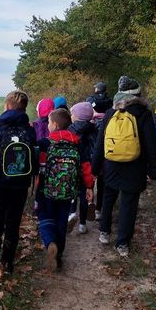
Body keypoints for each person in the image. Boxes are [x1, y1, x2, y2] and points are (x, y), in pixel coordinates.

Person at [92, 76, 156, 257]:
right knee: (129, 204)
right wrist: (153, 169)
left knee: (108, 197)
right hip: (135, 166)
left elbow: (100, 143)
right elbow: (151, 143)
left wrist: (95, 166)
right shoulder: (144, 114)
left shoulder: (109, 113)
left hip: (111, 164)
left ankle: (104, 232)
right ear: (137, 94)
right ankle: (122, 243)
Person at [37, 109, 94, 271]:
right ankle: (59, 254)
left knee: (44, 216)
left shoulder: (45, 143)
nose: (48, 125)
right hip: (68, 191)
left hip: (46, 191)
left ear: (54, 125)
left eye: (49, 122)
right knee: (62, 221)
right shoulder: (77, 143)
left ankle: (50, 243)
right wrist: (89, 187)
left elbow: (39, 167)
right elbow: (85, 167)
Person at [0, 90, 37, 274]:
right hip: (21, 183)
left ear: (7, 106)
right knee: (14, 220)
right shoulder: (29, 129)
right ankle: (7, 261)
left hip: (0, 181)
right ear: (24, 108)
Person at [68, 101, 97, 234]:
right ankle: (83, 224)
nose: (71, 116)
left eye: (72, 113)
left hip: (73, 166)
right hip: (89, 166)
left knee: (73, 191)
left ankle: (72, 212)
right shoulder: (94, 128)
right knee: (86, 192)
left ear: (78, 116)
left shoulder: (71, 129)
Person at [91, 97, 113, 221]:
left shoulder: (93, 123)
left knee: (92, 183)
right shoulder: (110, 120)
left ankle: (92, 205)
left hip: (96, 157)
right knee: (102, 185)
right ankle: (99, 208)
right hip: (107, 158)